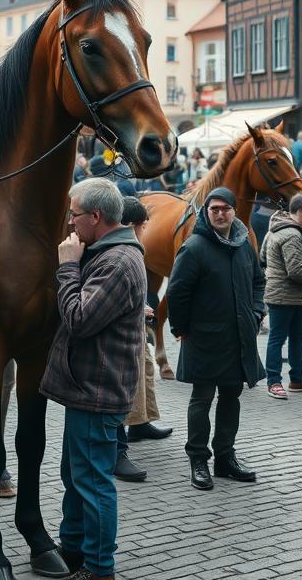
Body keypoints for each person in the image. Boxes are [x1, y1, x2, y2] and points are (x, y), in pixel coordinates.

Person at [41, 179, 146, 580]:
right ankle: (73, 550)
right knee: (76, 475)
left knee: (93, 483)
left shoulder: (117, 260)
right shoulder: (107, 252)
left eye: (74, 214)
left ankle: (100, 568)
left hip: (98, 390)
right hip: (88, 387)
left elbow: (80, 319)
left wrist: (67, 267)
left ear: (96, 217)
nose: (69, 221)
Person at [167, 186, 266, 491]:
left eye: (226, 208)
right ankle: (198, 459)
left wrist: (256, 312)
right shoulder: (194, 247)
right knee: (202, 399)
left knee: (231, 397)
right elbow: (176, 293)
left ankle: (225, 457)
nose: (220, 214)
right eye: (214, 209)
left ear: (235, 211)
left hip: (238, 338)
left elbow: (258, 280)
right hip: (204, 338)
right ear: (206, 213)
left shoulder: (243, 244)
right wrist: (180, 329)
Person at [113, 197, 173, 484]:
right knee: (127, 382)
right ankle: (119, 447)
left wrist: (142, 306)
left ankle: (141, 423)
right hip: (121, 330)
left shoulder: (132, 247)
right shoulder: (120, 250)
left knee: (146, 370)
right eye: (140, 226)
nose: (142, 231)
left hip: (135, 321)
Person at [261, 193, 302, 400]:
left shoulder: (276, 229)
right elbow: (295, 271)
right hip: (284, 295)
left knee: (292, 338)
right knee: (280, 339)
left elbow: (263, 257)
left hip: (288, 294)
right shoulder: (293, 234)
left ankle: (296, 379)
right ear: (299, 211)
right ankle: (275, 381)